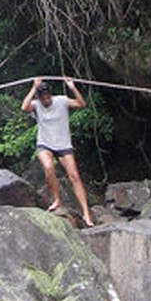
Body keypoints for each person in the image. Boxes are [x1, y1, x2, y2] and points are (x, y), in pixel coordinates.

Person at [22, 78, 94, 227]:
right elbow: (24, 108)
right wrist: (33, 88)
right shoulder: (36, 104)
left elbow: (82, 104)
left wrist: (72, 87)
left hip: (63, 144)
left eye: (48, 97)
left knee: (74, 176)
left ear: (51, 95)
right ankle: (57, 200)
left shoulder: (61, 100)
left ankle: (86, 214)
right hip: (45, 144)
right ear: (38, 98)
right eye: (43, 98)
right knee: (48, 167)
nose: (46, 100)